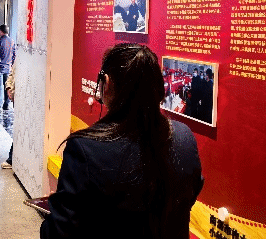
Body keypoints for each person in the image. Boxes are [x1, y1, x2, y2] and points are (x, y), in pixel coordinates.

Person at [40, 44, 203, 239]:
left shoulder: (84, 149)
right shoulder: (184, 137)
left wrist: (58, 208)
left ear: (106, 83)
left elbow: (57, 233)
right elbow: (189, 194)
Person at [0, 24, 15, 116]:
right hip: (8, 67)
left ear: (1, 31)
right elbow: (14, 54)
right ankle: (6, 105)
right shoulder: (12, 41)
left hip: (0, 67)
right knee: (7, 86)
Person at [1, 60, 16, 170]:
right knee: (18, 129)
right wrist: (9, 88)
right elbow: (12, 74)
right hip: (17, 98)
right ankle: (12, 159)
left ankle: (12, 159)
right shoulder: (20, 58)